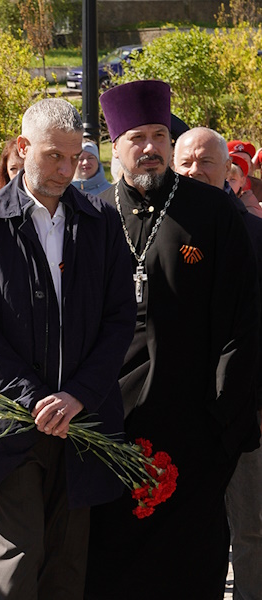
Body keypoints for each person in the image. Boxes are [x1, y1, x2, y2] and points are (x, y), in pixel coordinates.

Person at [0, 98, 136, 599]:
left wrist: (78, 396)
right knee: (17, 554)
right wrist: (34, 399)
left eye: (74, 157)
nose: (65, 169)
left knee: (67, 559)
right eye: (54, 155)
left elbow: (120, 319)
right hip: (12, 421)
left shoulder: (100, 221)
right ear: (22, 146)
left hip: (83, 419)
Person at [85, 80, 260, 600]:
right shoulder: (92, 216)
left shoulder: (213, 211)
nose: (150, 147)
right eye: (137, 137)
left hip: (194, 421)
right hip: (112, 420)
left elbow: (243, 319)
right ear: (115, 146)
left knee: (189, 559)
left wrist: (222, 416)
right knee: (111, 556)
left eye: (159, 135)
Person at [173, 127, 262, 600]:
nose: (194, 171)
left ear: (229, 170)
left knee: (250, 527)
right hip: (175, 408)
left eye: (206, 162)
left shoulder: (255, 233)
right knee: (183, 526)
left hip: (248, 411)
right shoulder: (151, 231)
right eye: (185, 162)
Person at [228, 140, 262, 218]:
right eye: (235, 162)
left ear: (251, 164)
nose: (240, 165)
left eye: (245, 160)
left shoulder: (259, 186)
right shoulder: (218, 184)